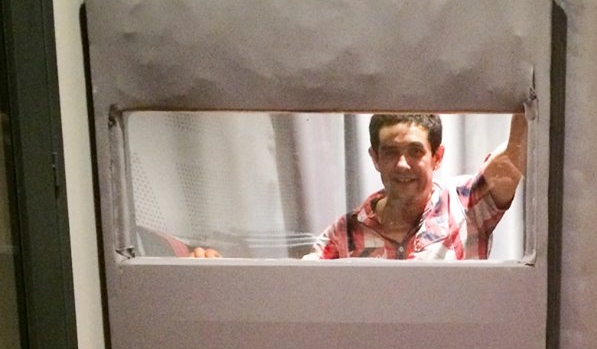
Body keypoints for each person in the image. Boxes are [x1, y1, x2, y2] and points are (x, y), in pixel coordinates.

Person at [189, 112, 526, 261]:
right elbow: (297, 291)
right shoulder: (345, 233)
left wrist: (531, 70)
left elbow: (514, 157)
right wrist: (218, 272)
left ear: (436, 157)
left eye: (415, 151)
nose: (402, 164)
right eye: (390, 152)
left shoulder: (466, 204)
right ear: (375, 159)